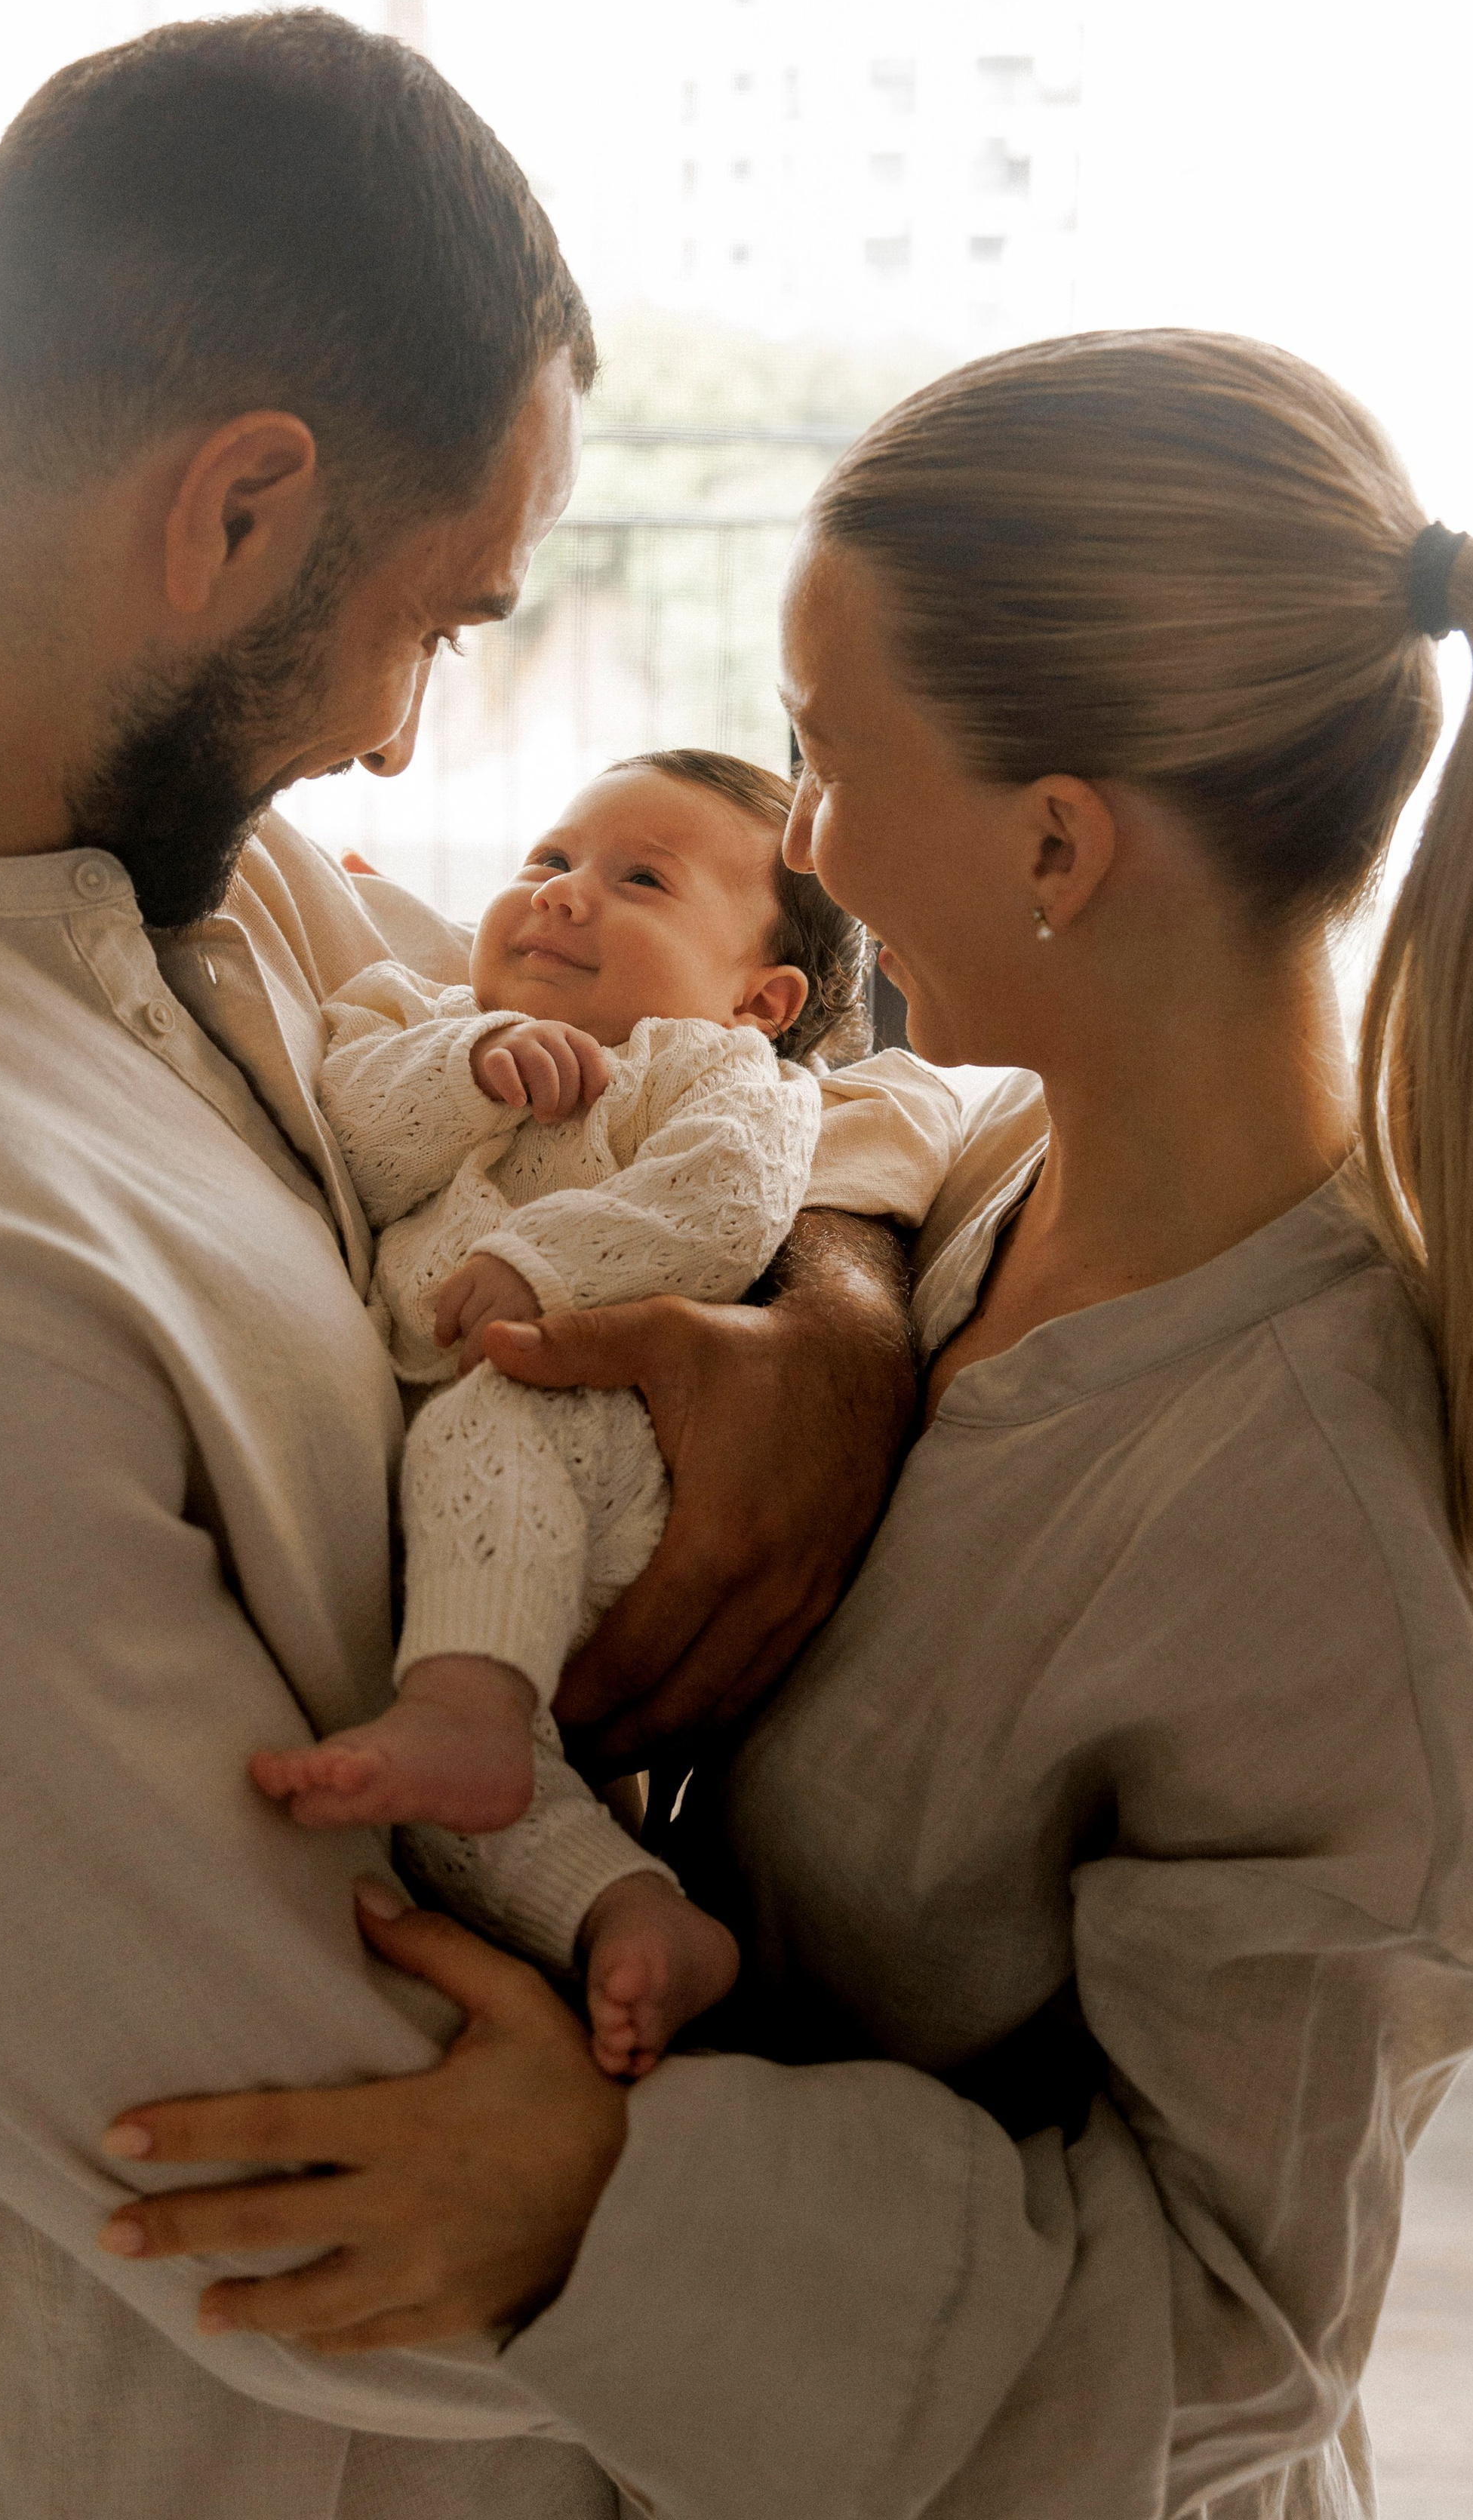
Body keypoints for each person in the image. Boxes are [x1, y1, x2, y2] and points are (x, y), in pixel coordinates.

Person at [0, 13, 922, 2520]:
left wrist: (826, 1319)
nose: (413, 750)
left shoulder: (169, 875)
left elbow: (743, 1079)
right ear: (236, 510)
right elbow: (353, 2197)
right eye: (433, 620)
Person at [98, 331, 1473, 2520]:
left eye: (825, 756)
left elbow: (1235, 2338)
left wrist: (621, 2193)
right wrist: (845, 1320)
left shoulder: (1311, 1522)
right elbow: (863, 1123)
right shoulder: (1002, 1172)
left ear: (1060, 844)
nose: (805, 835)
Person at [252, 750, 957, 2076]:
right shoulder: (411, 1013)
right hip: (468, 1516)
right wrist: (474, 1063)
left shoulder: (722, 1076)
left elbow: (723, 1207)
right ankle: (627, 1916)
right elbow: (356, 1128)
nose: (566, 896)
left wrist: (552, 1266)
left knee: (484, 1440)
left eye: (640, 880)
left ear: (760, 997)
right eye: (549, 861)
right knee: (452, 1803)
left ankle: (468, 1716)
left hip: (599, 1437)